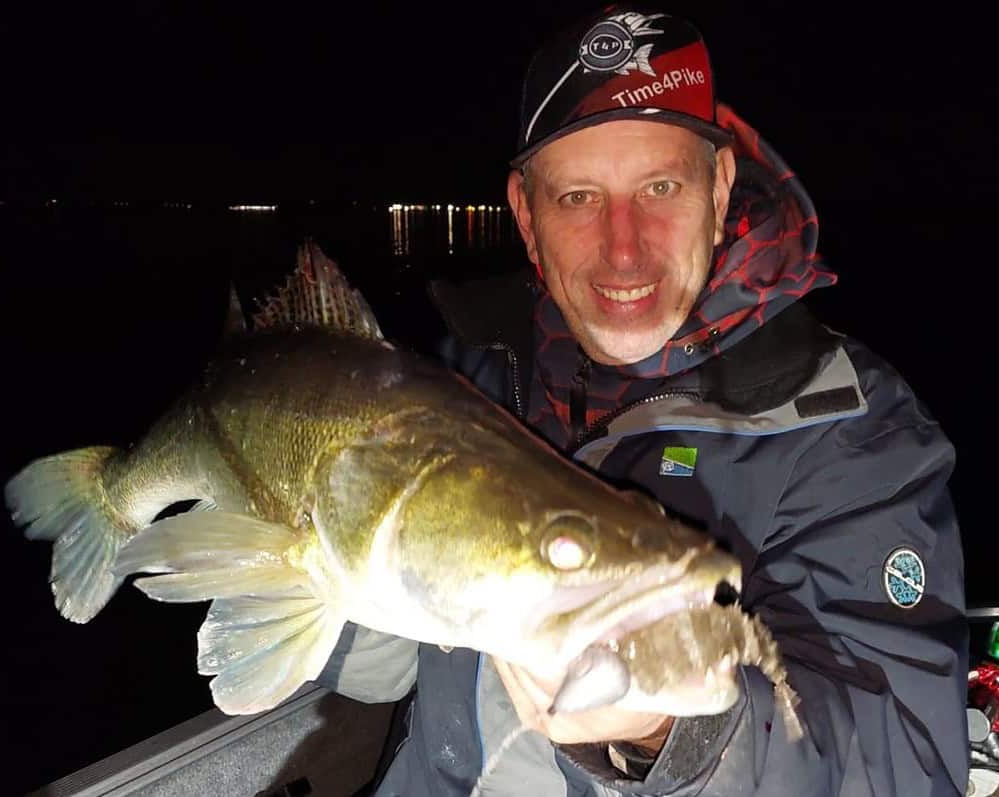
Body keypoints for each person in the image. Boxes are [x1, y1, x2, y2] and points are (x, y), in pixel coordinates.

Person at [319, 4, 969, 794]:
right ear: (525, 214)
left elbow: (908, 766)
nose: (623, 248)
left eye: (659, 186)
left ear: (720, 186)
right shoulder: (461, 383)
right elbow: (367, 674)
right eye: (578, 198)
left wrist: (676, 734)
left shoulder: (853, 432)